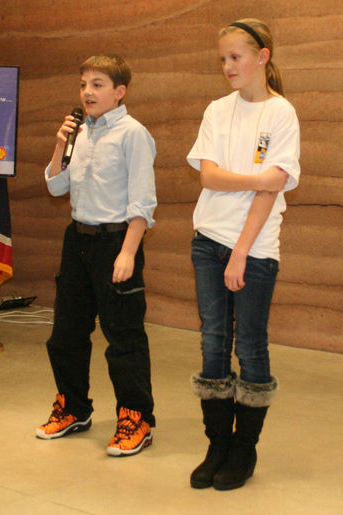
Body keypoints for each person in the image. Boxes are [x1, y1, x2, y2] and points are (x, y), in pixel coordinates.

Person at [186, 19, 300, 490]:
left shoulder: (281, 114)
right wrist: (257, 177)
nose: (229, 66)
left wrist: (241, 254)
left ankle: (243, 450)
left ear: (263, 57)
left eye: (237, 57)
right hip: (207, 240)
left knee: (249, 345)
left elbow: (272, 195)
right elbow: (209, 177)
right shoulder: (217, 109)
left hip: (253, 249)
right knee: (213, 342)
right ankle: (217, 443)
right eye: (224, 59)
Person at [36, 54, 157, 457]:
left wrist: (127, 253)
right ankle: (73, 407)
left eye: (98, 84)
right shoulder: (78, 133)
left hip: (116, 242)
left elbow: (142, 203)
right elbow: (56, 188)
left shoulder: (132, 133)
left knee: (123, 337)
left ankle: (136, 417)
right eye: (83, 83)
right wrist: (59, 145)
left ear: (119, 92)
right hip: (79, 241)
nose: (88, 91)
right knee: (66, 333)